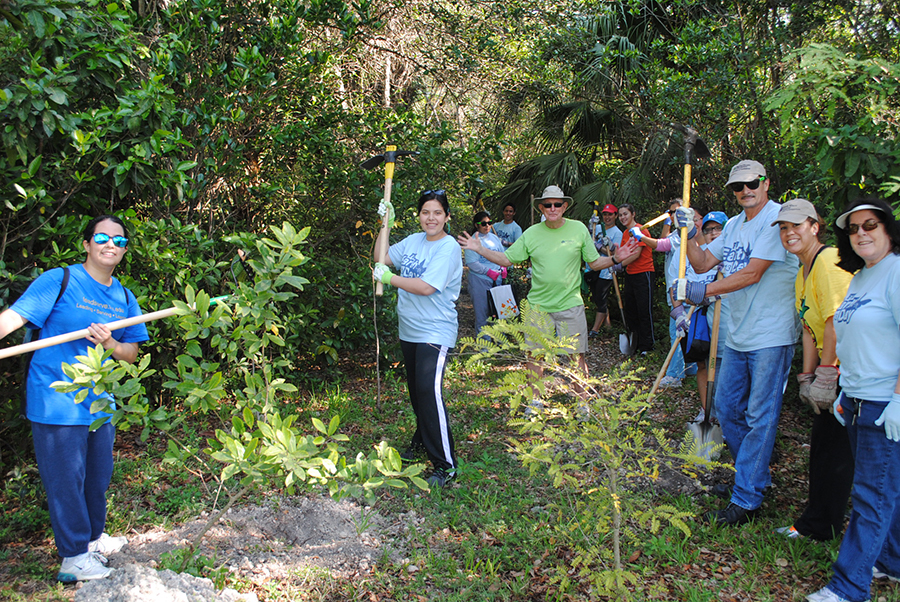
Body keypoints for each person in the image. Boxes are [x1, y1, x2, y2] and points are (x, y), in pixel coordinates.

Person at [0, 215, 148, 582]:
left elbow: (131, 354)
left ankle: (93, 541)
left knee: (96, 478)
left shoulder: (123, 297)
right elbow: (15, 317)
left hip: (99, 403)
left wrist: (111, 343)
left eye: (119, 240)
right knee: (66, 479)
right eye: (101, 237)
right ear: (87, 244)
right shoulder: (60, 280)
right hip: (56, 397)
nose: (110, 244)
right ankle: (74, 557)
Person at [673, 160, 800, 525]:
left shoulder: (777, 220)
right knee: (727, 410)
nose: (745, 190)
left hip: (772, 334)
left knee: (760, 416)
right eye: (737, 186)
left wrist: (701, 291)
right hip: (739, 334)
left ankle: (747, 499)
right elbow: (701, 263)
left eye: (751, 183)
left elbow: (751, 273)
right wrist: (693, 232)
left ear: (766, 183)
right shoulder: (731, 225)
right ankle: (754, 478)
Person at [806, 197, 900, 602]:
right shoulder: (863, 276)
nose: (861, 233)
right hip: (859, 398)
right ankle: (892, 562)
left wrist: (899, 399)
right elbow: (851, 335)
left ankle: (847, 588)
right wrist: (845, 390)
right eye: (854, 228)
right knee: (886, 490)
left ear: (888, 230)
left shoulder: (896, 272)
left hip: (885, 403)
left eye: (870, 225)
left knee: (870, 497)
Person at [457, 185, 637, 393]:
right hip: (538, 307)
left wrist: (615, 258)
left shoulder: (578, 229)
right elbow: (506, 259)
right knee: (535, 355)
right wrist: (480, 249)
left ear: (564, 206)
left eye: (557, 204)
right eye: (548, 205)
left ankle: (582, 403)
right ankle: (535, 402)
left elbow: (594, 263)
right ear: (541, 208)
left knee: (576, 356)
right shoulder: (532, 234)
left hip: (571, 305)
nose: (553, 208)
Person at [770, 199, 853, 542]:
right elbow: (809, 327)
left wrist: (827, 373)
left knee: (834, 452)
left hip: (851, 371)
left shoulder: (829, 262)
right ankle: (819, 521)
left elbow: (835, 322)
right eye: (784, 228)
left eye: (797, 226)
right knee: (824, 448)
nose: (789, 233)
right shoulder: (803, 271)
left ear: (815, 227)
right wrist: (806, 377)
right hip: (829, 369)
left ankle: (820, 526)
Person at [373, 190, 463, 488]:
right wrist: (384, 223)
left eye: (437, 212)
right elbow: (381, 257)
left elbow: (426, 287)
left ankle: (446, 465)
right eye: (426, 212)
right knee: (416, 391)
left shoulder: (448, 247)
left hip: (434, 329)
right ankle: (423, 440)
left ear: (447, 216)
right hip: (409, 328)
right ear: (419, 215)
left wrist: (389, 279)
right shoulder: (413, 241)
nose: (431, 218)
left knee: (428, 390)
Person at [629, 202, 703, 386]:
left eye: (677, 211)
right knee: (684, 332)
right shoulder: (678, 233)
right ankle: (690, 368)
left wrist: (640, 236)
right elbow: (665, 239)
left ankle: (675, 374)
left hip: (686, 291)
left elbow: (661, 244)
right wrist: (668, 221)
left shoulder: (686, 234)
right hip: (676, 291)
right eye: (671, 212)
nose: (673, 214)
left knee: (677, 333)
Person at [617, 203, 656, 355]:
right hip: (631, 274)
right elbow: (623, 252)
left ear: (633, 214)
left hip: (643, 273)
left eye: (625, 214)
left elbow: (636, 254)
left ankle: (648, 346)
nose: (622, 217)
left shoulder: (641, 230)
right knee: (631, 309)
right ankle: (635, 344)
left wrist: (619, 265)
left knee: (644, 310)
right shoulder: (625, 233)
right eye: (620, 215)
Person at [464, 211, 505, 341]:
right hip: (480, 281)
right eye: (483, 224)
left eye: (489, 223)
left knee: (498, 312)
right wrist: (488, 272)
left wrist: (503, 267)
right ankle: (484, 345)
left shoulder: (494, 238)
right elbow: (472, 263)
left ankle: (500, 341)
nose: (487, 226)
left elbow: (502, 255)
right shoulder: (473, 241)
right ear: (477, 225)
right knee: (482, 314)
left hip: (497, 281)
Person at [587, 204, 623, 337]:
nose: (607, 217)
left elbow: (614, 255)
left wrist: (600, 246)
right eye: (605, 214)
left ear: (616, 216)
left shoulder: (617, 233)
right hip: (593, 268)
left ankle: (595, 330)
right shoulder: (598, 229)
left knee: (600, 299)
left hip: (606, 271)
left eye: (610, 214)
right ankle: (608, 326)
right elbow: (589, 243)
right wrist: (590, 228)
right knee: (597, 298)